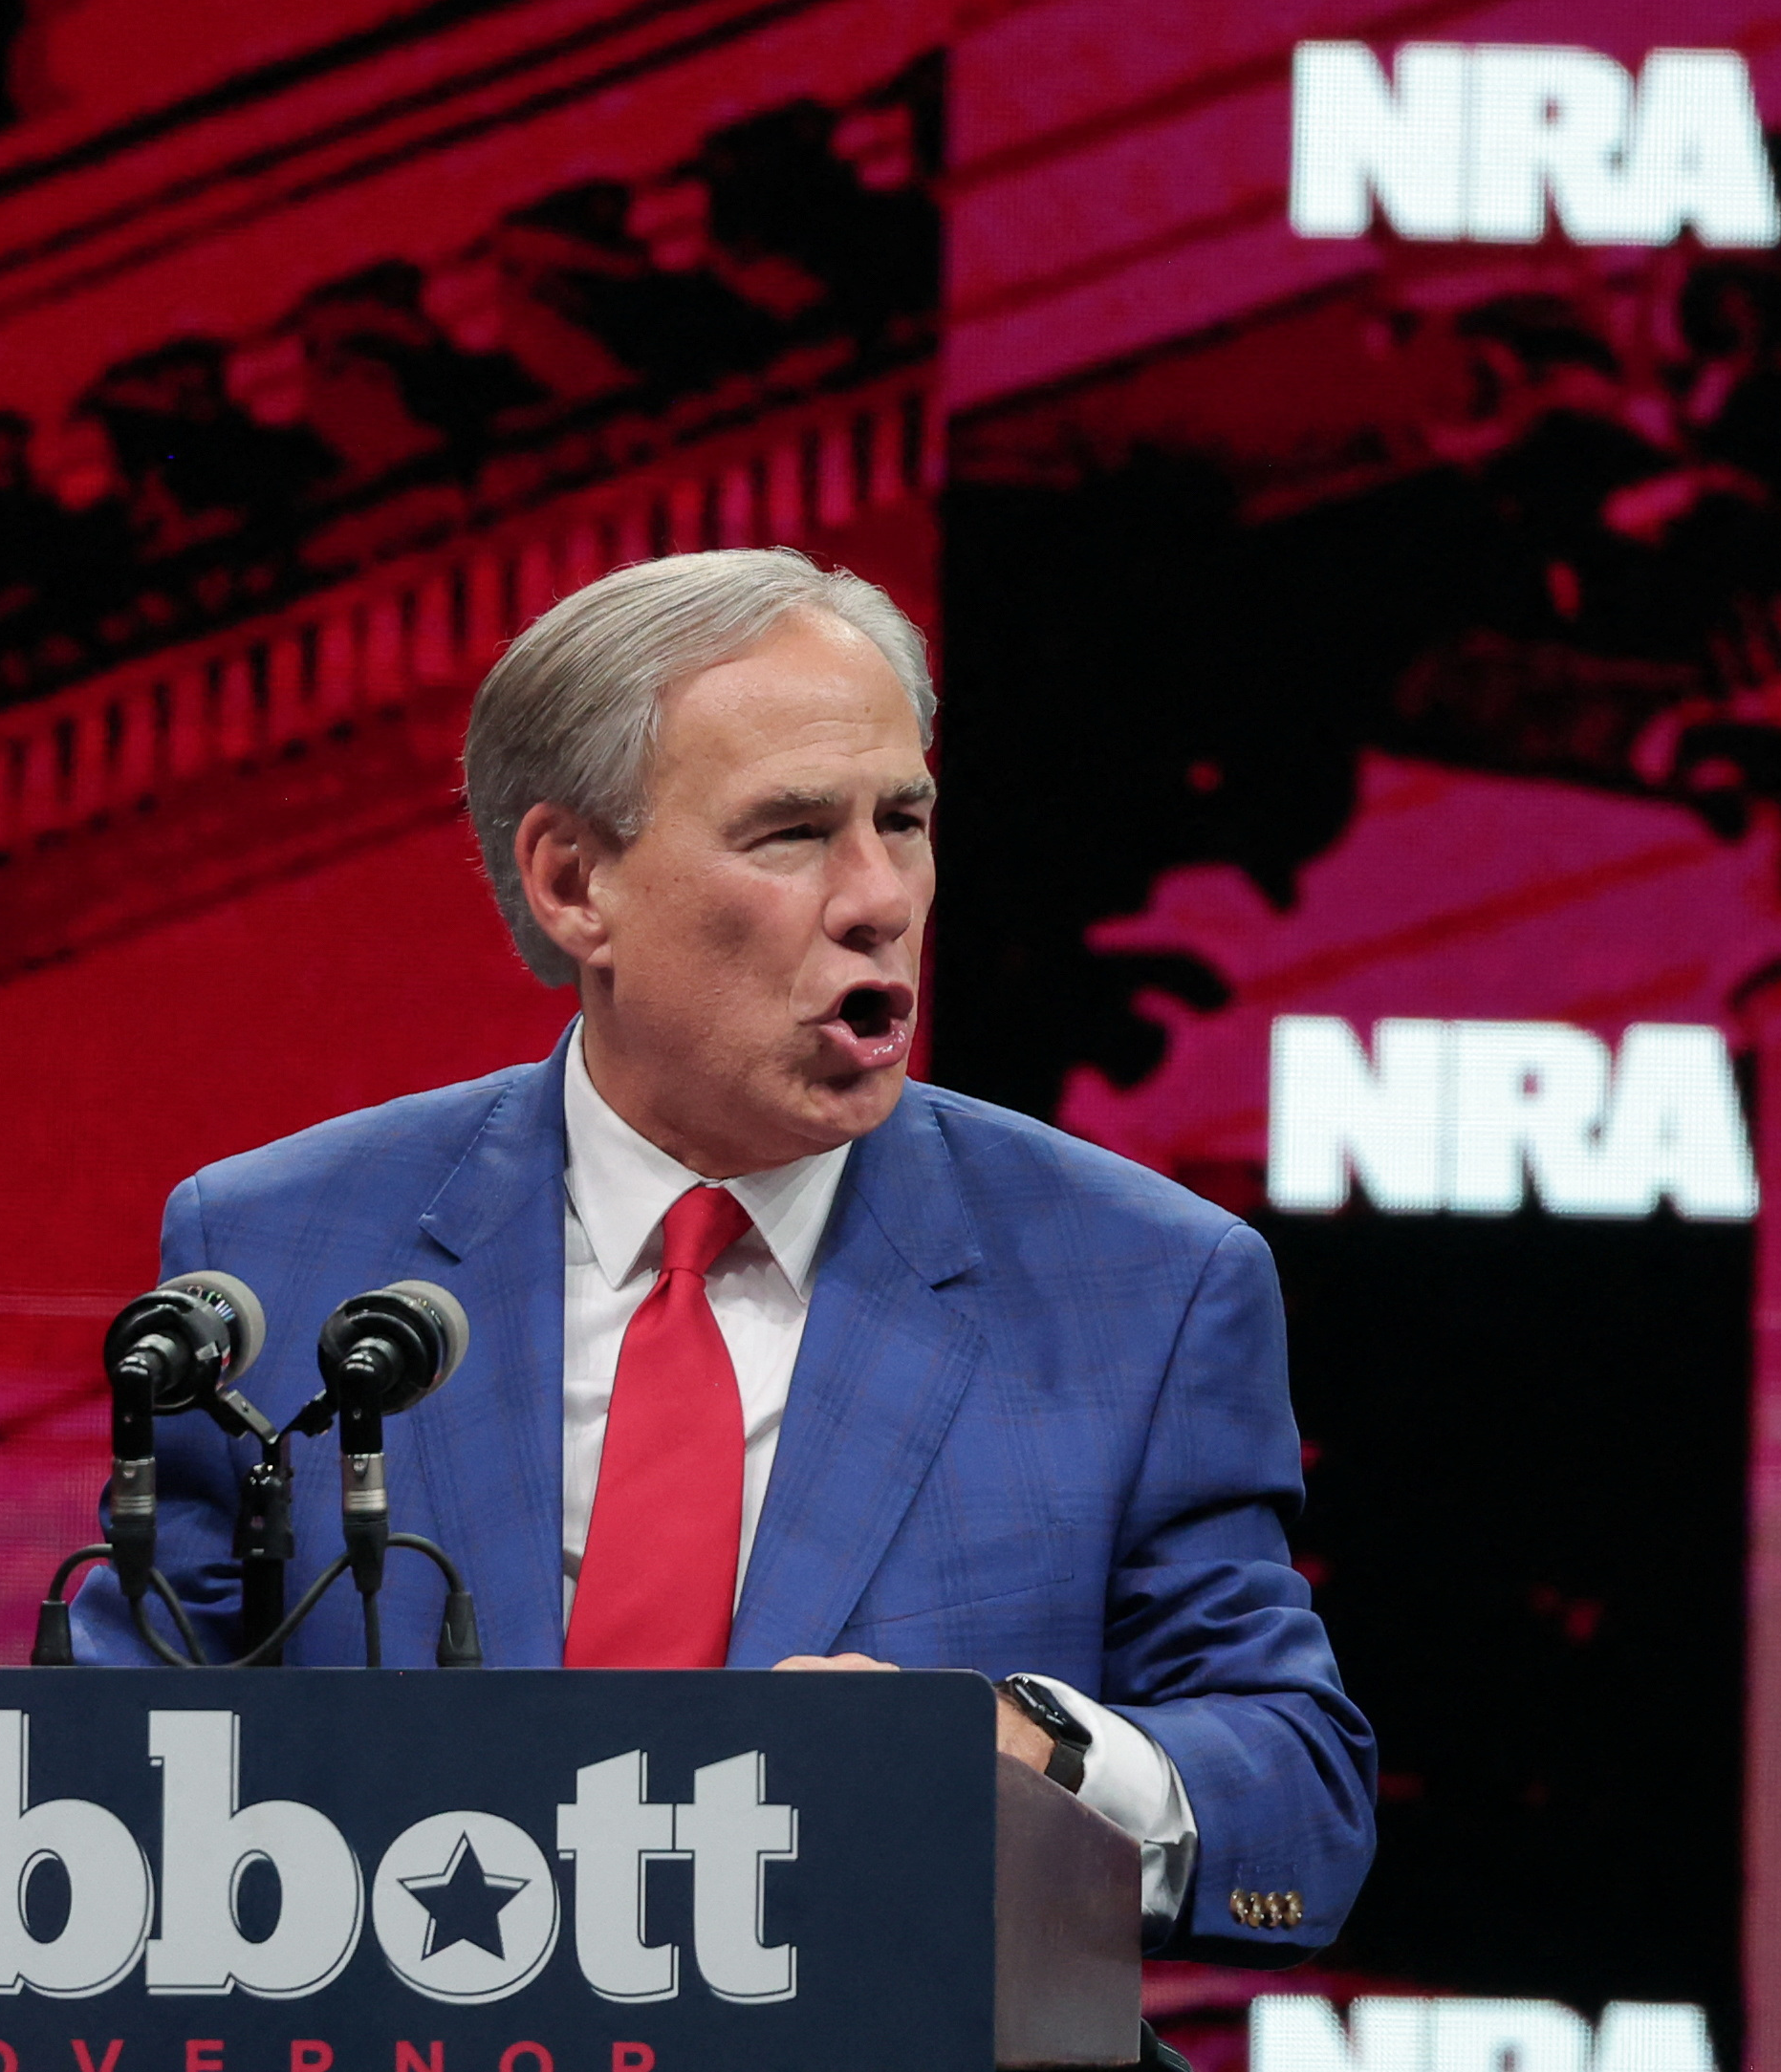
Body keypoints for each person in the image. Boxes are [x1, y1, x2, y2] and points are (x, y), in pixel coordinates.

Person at [73, 547, 1374, 1960]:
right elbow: (108, 1779)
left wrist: (1023, 1748)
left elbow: (1299, 1816)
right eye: (792, 832)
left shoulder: (1141, 1282)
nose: (879, 895)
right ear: (575, 882)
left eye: (905, 818)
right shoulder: (281, 1247)